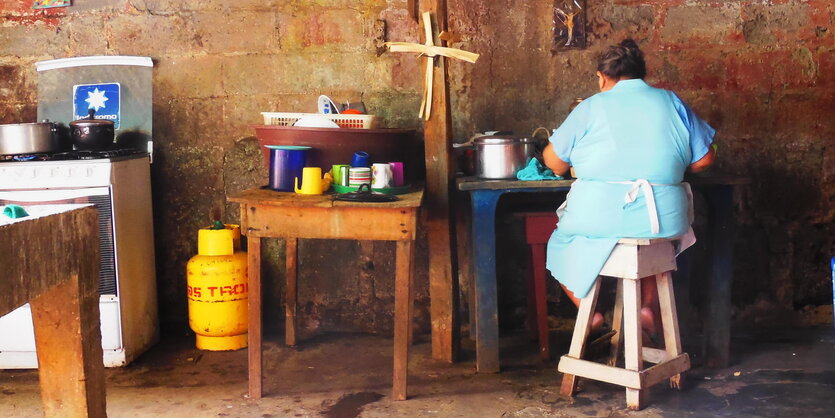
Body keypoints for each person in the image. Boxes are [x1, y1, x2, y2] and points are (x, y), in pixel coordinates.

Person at [541, 38, 716, 338]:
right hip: (664, 218)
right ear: (641, 74)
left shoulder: (591, 106)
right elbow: (704, 161)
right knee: (655, 242)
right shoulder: (671, 101)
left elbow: (555, 163)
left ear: (602, 77)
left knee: (559, 243)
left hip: (601, 217)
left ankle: (589, 310)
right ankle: (648, 309)